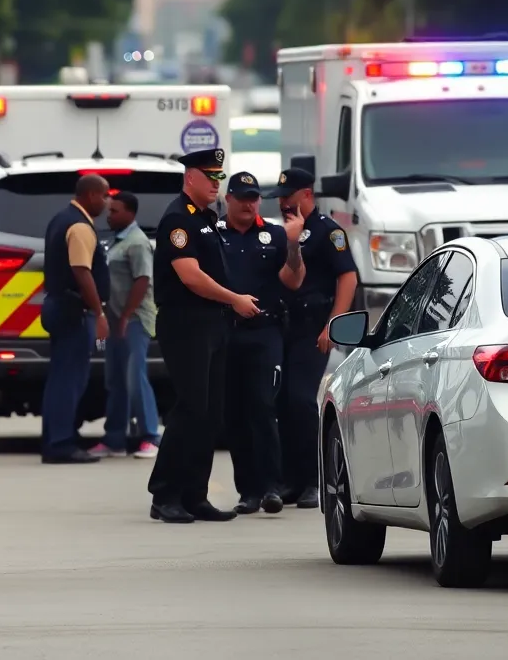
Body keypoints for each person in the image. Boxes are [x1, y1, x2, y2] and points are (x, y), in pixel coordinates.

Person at [146, 148, 261, 523]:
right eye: (209, 177)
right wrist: (235, 299)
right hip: (186, 322)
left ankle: (195, 494)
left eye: (218, 177)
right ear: (189, 177)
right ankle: (164, 494)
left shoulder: (206, 219)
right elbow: (190, 276)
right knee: (191, 407)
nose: (215, 183)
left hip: (212, 322)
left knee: (211, 413)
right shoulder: (178, 220)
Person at [217, 172, 305, 515]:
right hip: (226, 332)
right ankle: (248, 492)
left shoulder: (275, 234)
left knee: (263, 409)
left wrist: (294, 245)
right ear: (229, 200)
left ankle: (271, 486)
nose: (248, 203)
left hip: (264, 332)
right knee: (234, 414)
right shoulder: (214, 234)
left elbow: (294, 281)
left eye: (253, 197)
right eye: (241, 197)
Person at [269, 167, 358, 508]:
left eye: (288, 197)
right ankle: (291, 479)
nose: (283, 204)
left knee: (301, 400)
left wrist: (332, 325)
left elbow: (347, 278)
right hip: (284, 326)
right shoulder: (285, 232)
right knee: (282, 403)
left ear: (307, 194)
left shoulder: (328, 232)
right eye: (280, 199)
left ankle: (313, 480)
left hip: (312, 328)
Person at [39, 173, 112, 464]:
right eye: (105, 196)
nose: (107, 203)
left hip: (59, 306)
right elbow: (82, 271)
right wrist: (99, 312)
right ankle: (61, 444)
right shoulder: (80, 227)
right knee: (69, 380)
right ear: (92, 195)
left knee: (60, 378)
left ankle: (55, 439)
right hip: (72, 311)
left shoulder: (61, 218)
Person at [89, 191, 161, 460]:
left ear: (131, 213)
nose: (110, 215)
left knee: (135, 378)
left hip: (133, 321)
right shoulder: (117, 241)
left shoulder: (137, 242)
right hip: (117, 320)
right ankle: (114, 438)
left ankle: (150, 436)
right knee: (116, 380)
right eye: (109, 211)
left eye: (115, 211)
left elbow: (143, 280)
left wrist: (126, 315)